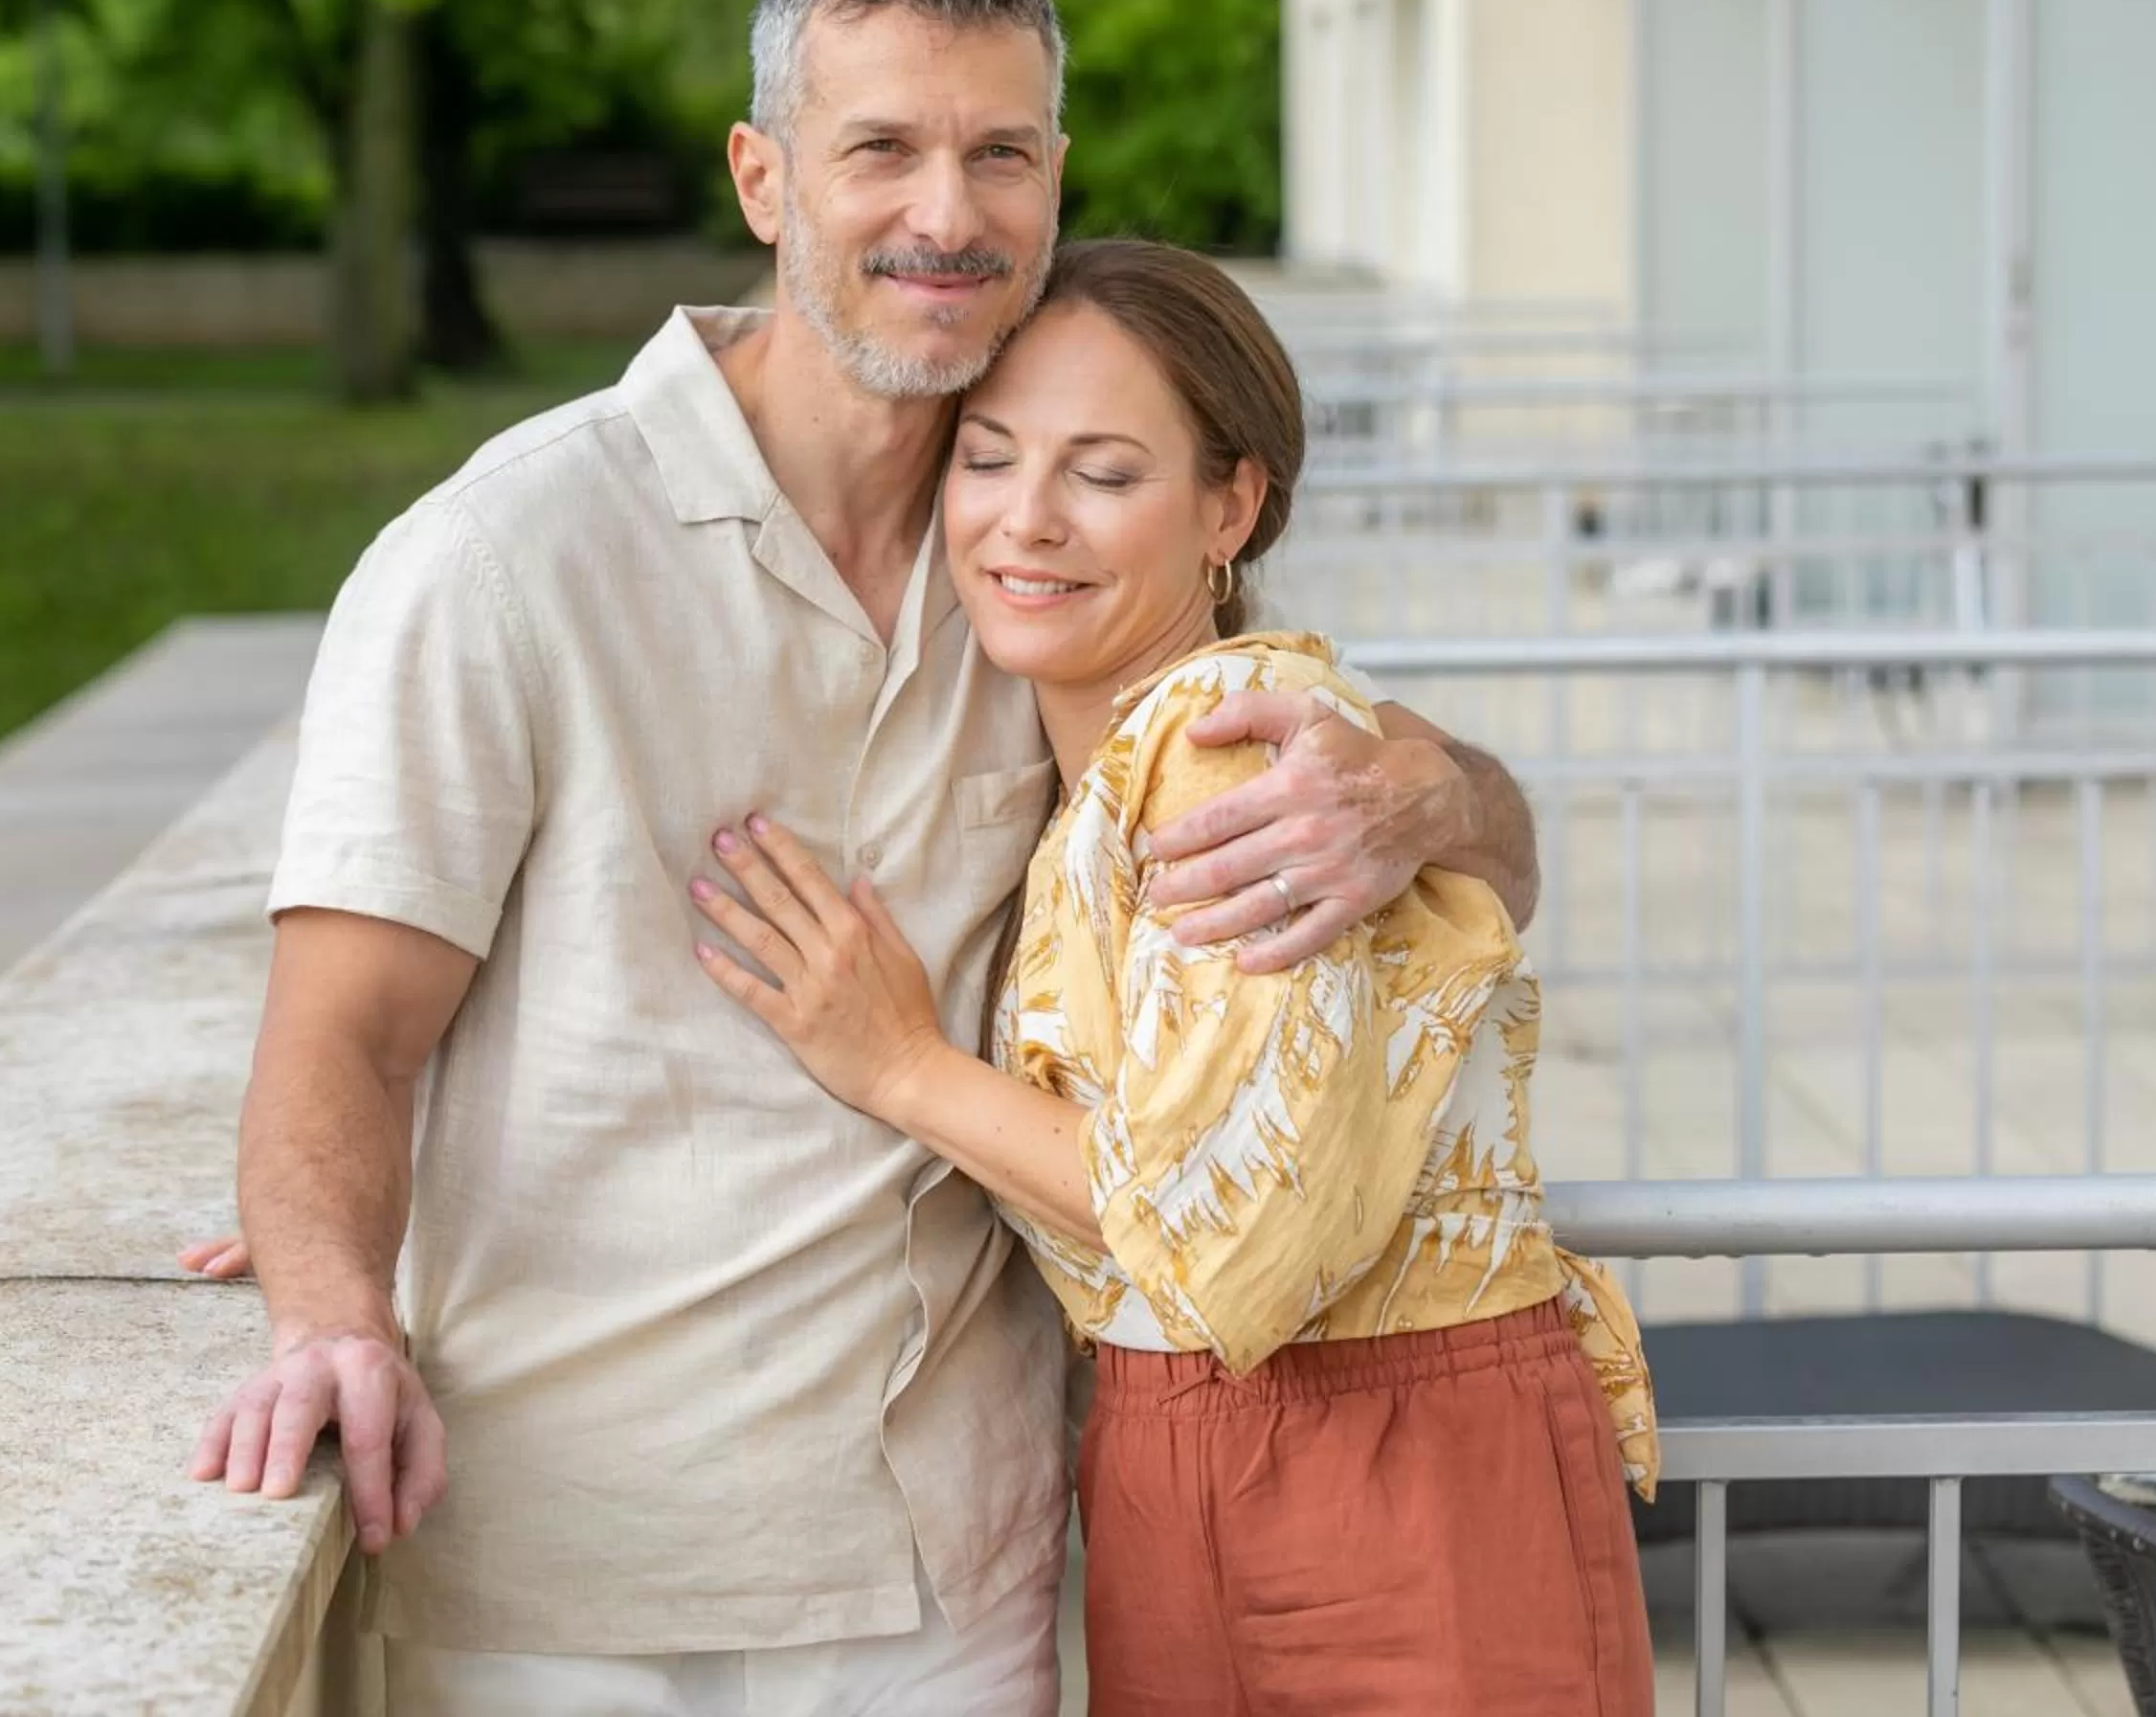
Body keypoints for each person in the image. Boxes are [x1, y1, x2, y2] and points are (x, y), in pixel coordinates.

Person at [183, 0, 1541, 1717]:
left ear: (1055, 177)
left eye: (999, 154)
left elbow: (1477, 843)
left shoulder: (1048, 572)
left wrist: (1424, 795)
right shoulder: (503, 561)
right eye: (880, 147)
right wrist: (331, 1302)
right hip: (568, 1577)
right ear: (763, 176)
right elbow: (337, 1041)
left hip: (952, 1578)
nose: (946, 213)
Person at [691, 237, 1659, 1716]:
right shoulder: (1082, 756)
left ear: (1231, 502)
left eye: (1103, 473)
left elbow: (1223, 1234)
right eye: (990, 457)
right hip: (1170, 1457)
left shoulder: (1235, 736)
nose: (1025, 521)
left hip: (1389, 1461)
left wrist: (895, 1065)